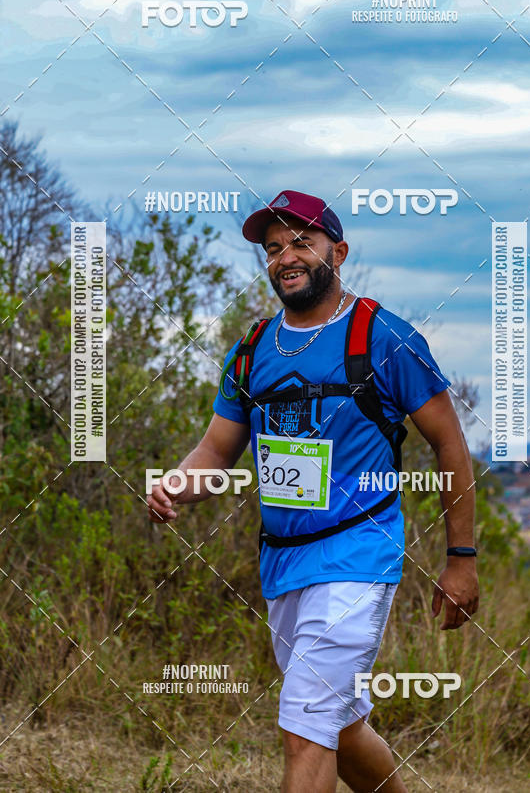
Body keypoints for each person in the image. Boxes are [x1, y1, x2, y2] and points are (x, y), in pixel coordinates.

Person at [147, 190, 479, 792]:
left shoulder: (383, 337)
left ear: (338, 251)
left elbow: (449, 445)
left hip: (357, 556)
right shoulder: (252, 350)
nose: (285, 257)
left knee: (305, 726)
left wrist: (461, 559)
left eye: (302, 241)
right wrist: (174, 485)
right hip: (282, 563)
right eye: (273, 248)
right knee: (339, 725)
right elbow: (216, 450)